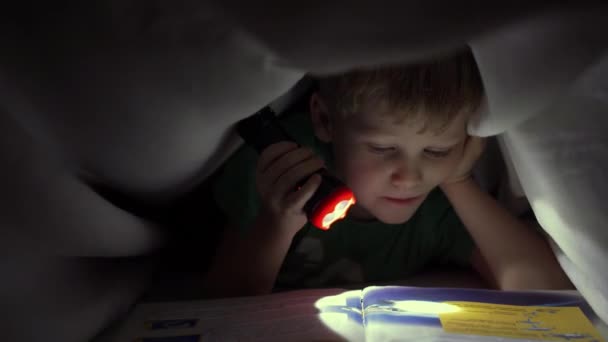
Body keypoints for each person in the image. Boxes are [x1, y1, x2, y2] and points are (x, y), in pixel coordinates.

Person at [203, 48, 572, 296]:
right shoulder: (283, 168)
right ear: (325, 119)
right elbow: (221, 306)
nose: (410, 177)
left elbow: (544, 291)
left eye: (436, 149)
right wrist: (277, 223)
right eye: (382, 148)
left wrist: (458, 181)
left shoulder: (438, 204)